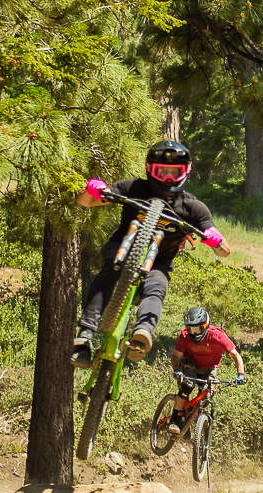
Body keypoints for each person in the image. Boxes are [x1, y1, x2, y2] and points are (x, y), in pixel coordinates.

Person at [71, 140, 230, 368]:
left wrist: (216, 241)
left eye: (174, 173)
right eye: (161, 171)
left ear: (186, 171)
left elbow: (224, 250)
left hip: (159, 263)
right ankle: (84, 335)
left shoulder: (193, 208)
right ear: (148, 168)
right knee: (110, 269)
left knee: (157, 288)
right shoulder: (133, 188)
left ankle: (142, 334)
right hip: (121, 248)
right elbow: (85, 201)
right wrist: (92, 191)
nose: (167, 178)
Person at [168, 306, 246, 435]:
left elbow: (236, 355)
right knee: (187, 386)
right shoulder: (184, 335)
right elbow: (175, 357)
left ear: (205, 325)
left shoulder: (217, 336)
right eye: (190, 329)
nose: (194, 333)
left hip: (209, 368)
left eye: (197, 329)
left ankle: (189, 421)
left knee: (207, 395)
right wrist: (177, 371)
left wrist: (240, 375)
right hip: (189, 363)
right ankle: (175, 419)